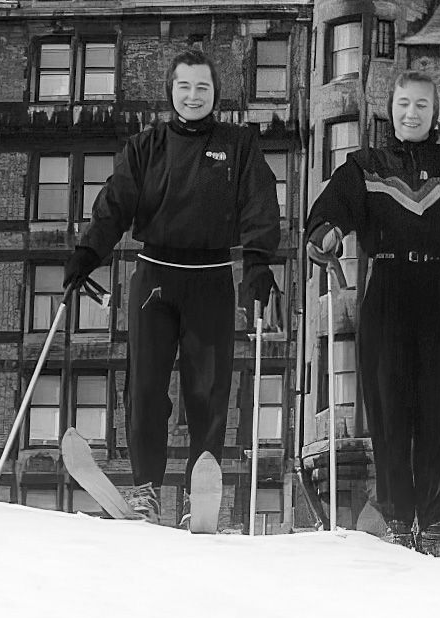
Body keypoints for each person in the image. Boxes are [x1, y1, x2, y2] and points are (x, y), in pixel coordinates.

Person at [304, 71, 440, 558]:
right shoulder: (364, 167)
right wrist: (326, 231)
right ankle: (398, 520)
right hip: (386, 291)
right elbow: (332, 208)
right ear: (390, 108)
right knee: (389, 412)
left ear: (437, 112)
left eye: (422, 105)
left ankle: (433, 523)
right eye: (403, 103)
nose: (411, 113)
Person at [66, 48, 282, 528]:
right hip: (155, 276)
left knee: (207, 390)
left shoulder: (238, 145)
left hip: (211, 277)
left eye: (202, 87)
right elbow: (115, 203)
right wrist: (88, 253)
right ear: (172, 92)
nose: (193, 95)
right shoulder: (146, 146)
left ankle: (196, 494)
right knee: (145, 387)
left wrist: (259, 263)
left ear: (215, 95)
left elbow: (259, 205)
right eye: (184, 86)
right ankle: (145, 488)